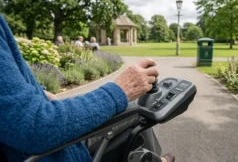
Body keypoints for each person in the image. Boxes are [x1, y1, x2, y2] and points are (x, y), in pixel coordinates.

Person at [0, 16, 174, 162]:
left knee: (136, 111)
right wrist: (120, 90)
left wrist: (42, 93)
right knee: (140, 112)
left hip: (53, 143)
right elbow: (34, 126)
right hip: (59, 151)